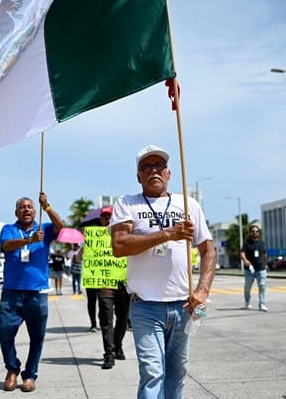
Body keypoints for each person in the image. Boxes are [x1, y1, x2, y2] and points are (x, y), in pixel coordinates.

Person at [110, 144, 216, 399]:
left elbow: (208, 251)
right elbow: (120, 246)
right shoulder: (127, 204)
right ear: (138, 176)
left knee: (178, 371)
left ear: (169, 173)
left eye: (159, 166)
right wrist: (168, 234)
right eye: (146, 167)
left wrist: (202, 290)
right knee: (152, 372)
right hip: (146, 306)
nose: (153, 170)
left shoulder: (188, 205)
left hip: (184, 304)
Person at [0, 192, 64, 392]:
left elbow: (61, 227)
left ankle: (30, 375)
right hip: (11, 293)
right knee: (5, 332)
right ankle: (12, 368)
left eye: (30, 206)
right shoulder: (9, 229)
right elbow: (7, 246)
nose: (26, 209)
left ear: (35, 211)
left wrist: (48, 207)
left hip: (37, 293)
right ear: (16, 212)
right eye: (22, 207)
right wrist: (29, 241)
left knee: (37, 337)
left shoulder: (44, 228)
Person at [96, 205, 130, 370]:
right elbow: (80, 258)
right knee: (106, 319)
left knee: (123, 318)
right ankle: (109, 354)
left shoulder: (126, 235)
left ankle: (118, 344)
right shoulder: (95, 237)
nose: (107, 219)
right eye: (104, 217)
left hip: (123, 284)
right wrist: (86, 249)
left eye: (110, 217)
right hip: (105, 284)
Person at [240, 224, 268, 311]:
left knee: (262, 287)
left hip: (261, 269)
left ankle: (262, 304)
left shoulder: (262, 243)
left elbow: (264, 255)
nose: (255, 233)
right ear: (250, 233)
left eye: (256, 231)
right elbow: (242, 253)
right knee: (247, 288)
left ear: (259, 233)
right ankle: (247, 302)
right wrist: (245, 260)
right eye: (253, 231)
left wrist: (265, 264)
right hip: (249, 270)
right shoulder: (247, 243)